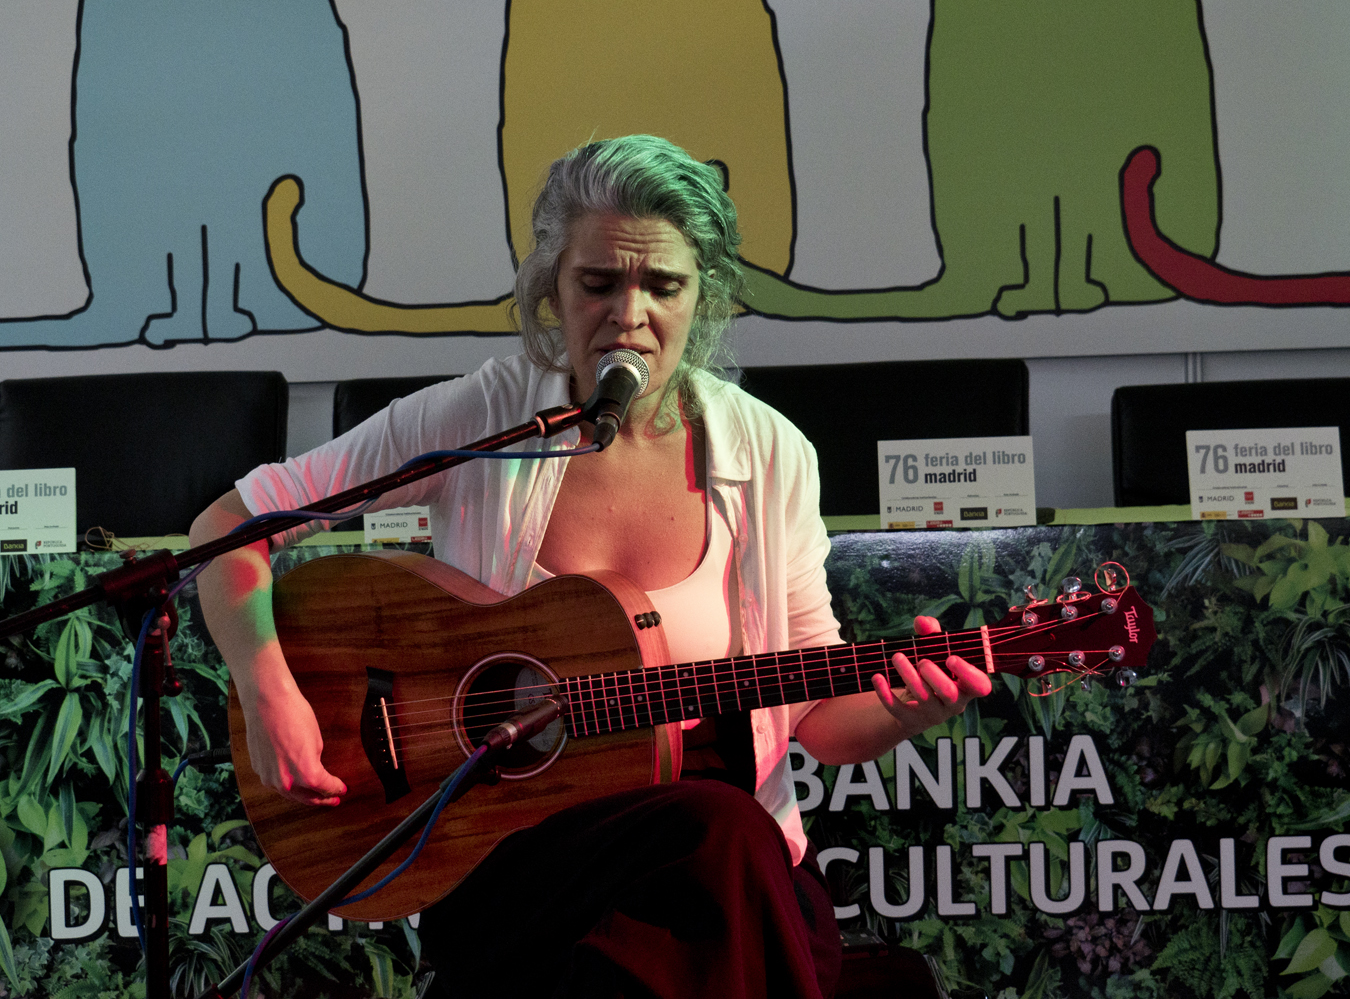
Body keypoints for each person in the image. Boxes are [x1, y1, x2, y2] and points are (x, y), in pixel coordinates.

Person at [190, 135, 991, 998]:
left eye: (663, 286)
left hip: (724, 868)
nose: (628, 315)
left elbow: (817, 718)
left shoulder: (771, 453)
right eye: (598, 283)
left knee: (713, 854)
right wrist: (268, 691)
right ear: (552, 288)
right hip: (516, 861)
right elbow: (229, 524)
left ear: (706, 295)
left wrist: (905, 708)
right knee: (722, 840)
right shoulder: (485, 417)